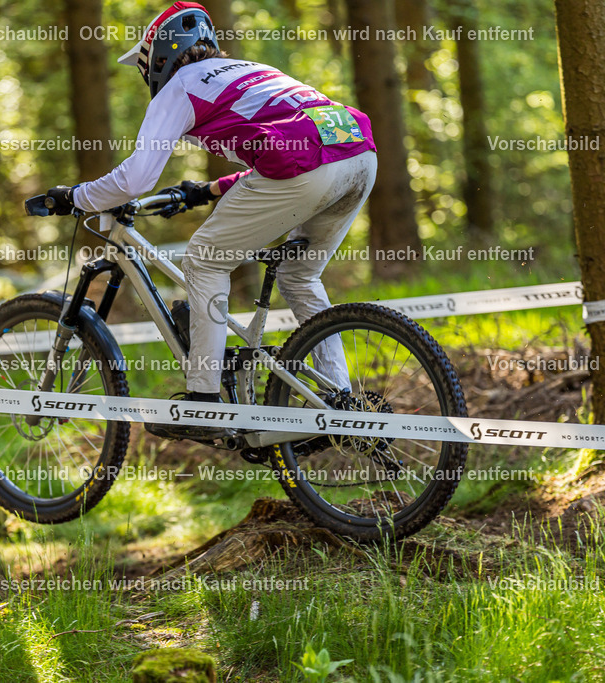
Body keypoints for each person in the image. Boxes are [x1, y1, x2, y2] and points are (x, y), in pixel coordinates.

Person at [40, 2, 377, 440]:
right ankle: (340, 400)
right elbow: (287, 142)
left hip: (308, 169)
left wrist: (78, 196)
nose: (146, 75)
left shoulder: (179, 87)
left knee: (203, 260)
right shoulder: (250, 69)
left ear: (159, 57)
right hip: (358, 156)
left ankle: (204, 403)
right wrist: (206, 190)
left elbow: (139, 177)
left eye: (144, 65)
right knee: (300, 277)